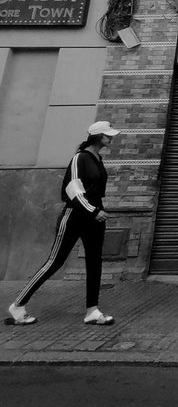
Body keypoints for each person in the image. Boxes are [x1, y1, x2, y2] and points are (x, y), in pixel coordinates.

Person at [7, 120, 119, 326]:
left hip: (94, 218)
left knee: (95, 263)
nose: (110, 137)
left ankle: (92, 311)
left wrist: (97, 211)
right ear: (96, 137)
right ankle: (18, 305)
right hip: (75, 216)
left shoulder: (97, 158)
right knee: (54, 262)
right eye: (107, 134)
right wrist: (93, 211)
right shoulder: (80, 158)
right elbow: (73, 189)